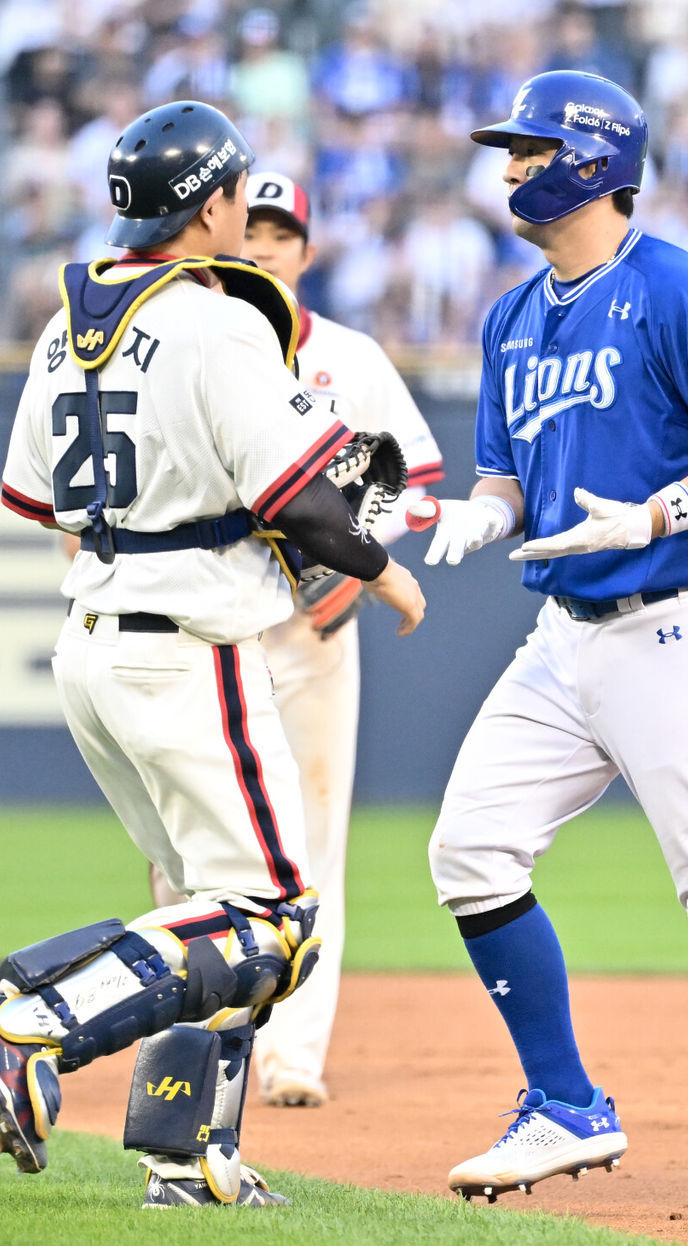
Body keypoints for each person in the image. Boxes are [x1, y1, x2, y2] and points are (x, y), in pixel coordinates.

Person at [411, 70, 688, 1220]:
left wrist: (662, 510)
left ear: (592, 157)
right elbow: (509, 473)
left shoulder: (676, 289)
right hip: (563, 633)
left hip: (676, 623)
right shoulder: (513, 315)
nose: (510, 166)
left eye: (530, 146)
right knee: (469, 848)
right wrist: (486, 510)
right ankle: (564, 1104)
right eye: (509, 148)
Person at [0, 99, 424, 1211]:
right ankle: (34, 1019)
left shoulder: (64, 325)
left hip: (93, 642)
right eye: (235, 195)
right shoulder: (221, 323)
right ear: (211, 202)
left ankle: (188, 1157)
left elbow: (40, 498)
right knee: (273, 916)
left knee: (205, 914)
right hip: (190, 645)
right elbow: (302, 501)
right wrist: (376, 559)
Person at [148, 168, 444, 1109]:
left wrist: (355, 567)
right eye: (252, 227)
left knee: (314, 842)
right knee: (182, 846)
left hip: (310, 629)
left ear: (306, 253)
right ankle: (188, 1042)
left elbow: (411, 482)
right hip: (202, 622)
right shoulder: (185, 344)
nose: (262, 245)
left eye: (281, 234)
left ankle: (293, 1055)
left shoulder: (350, 358)